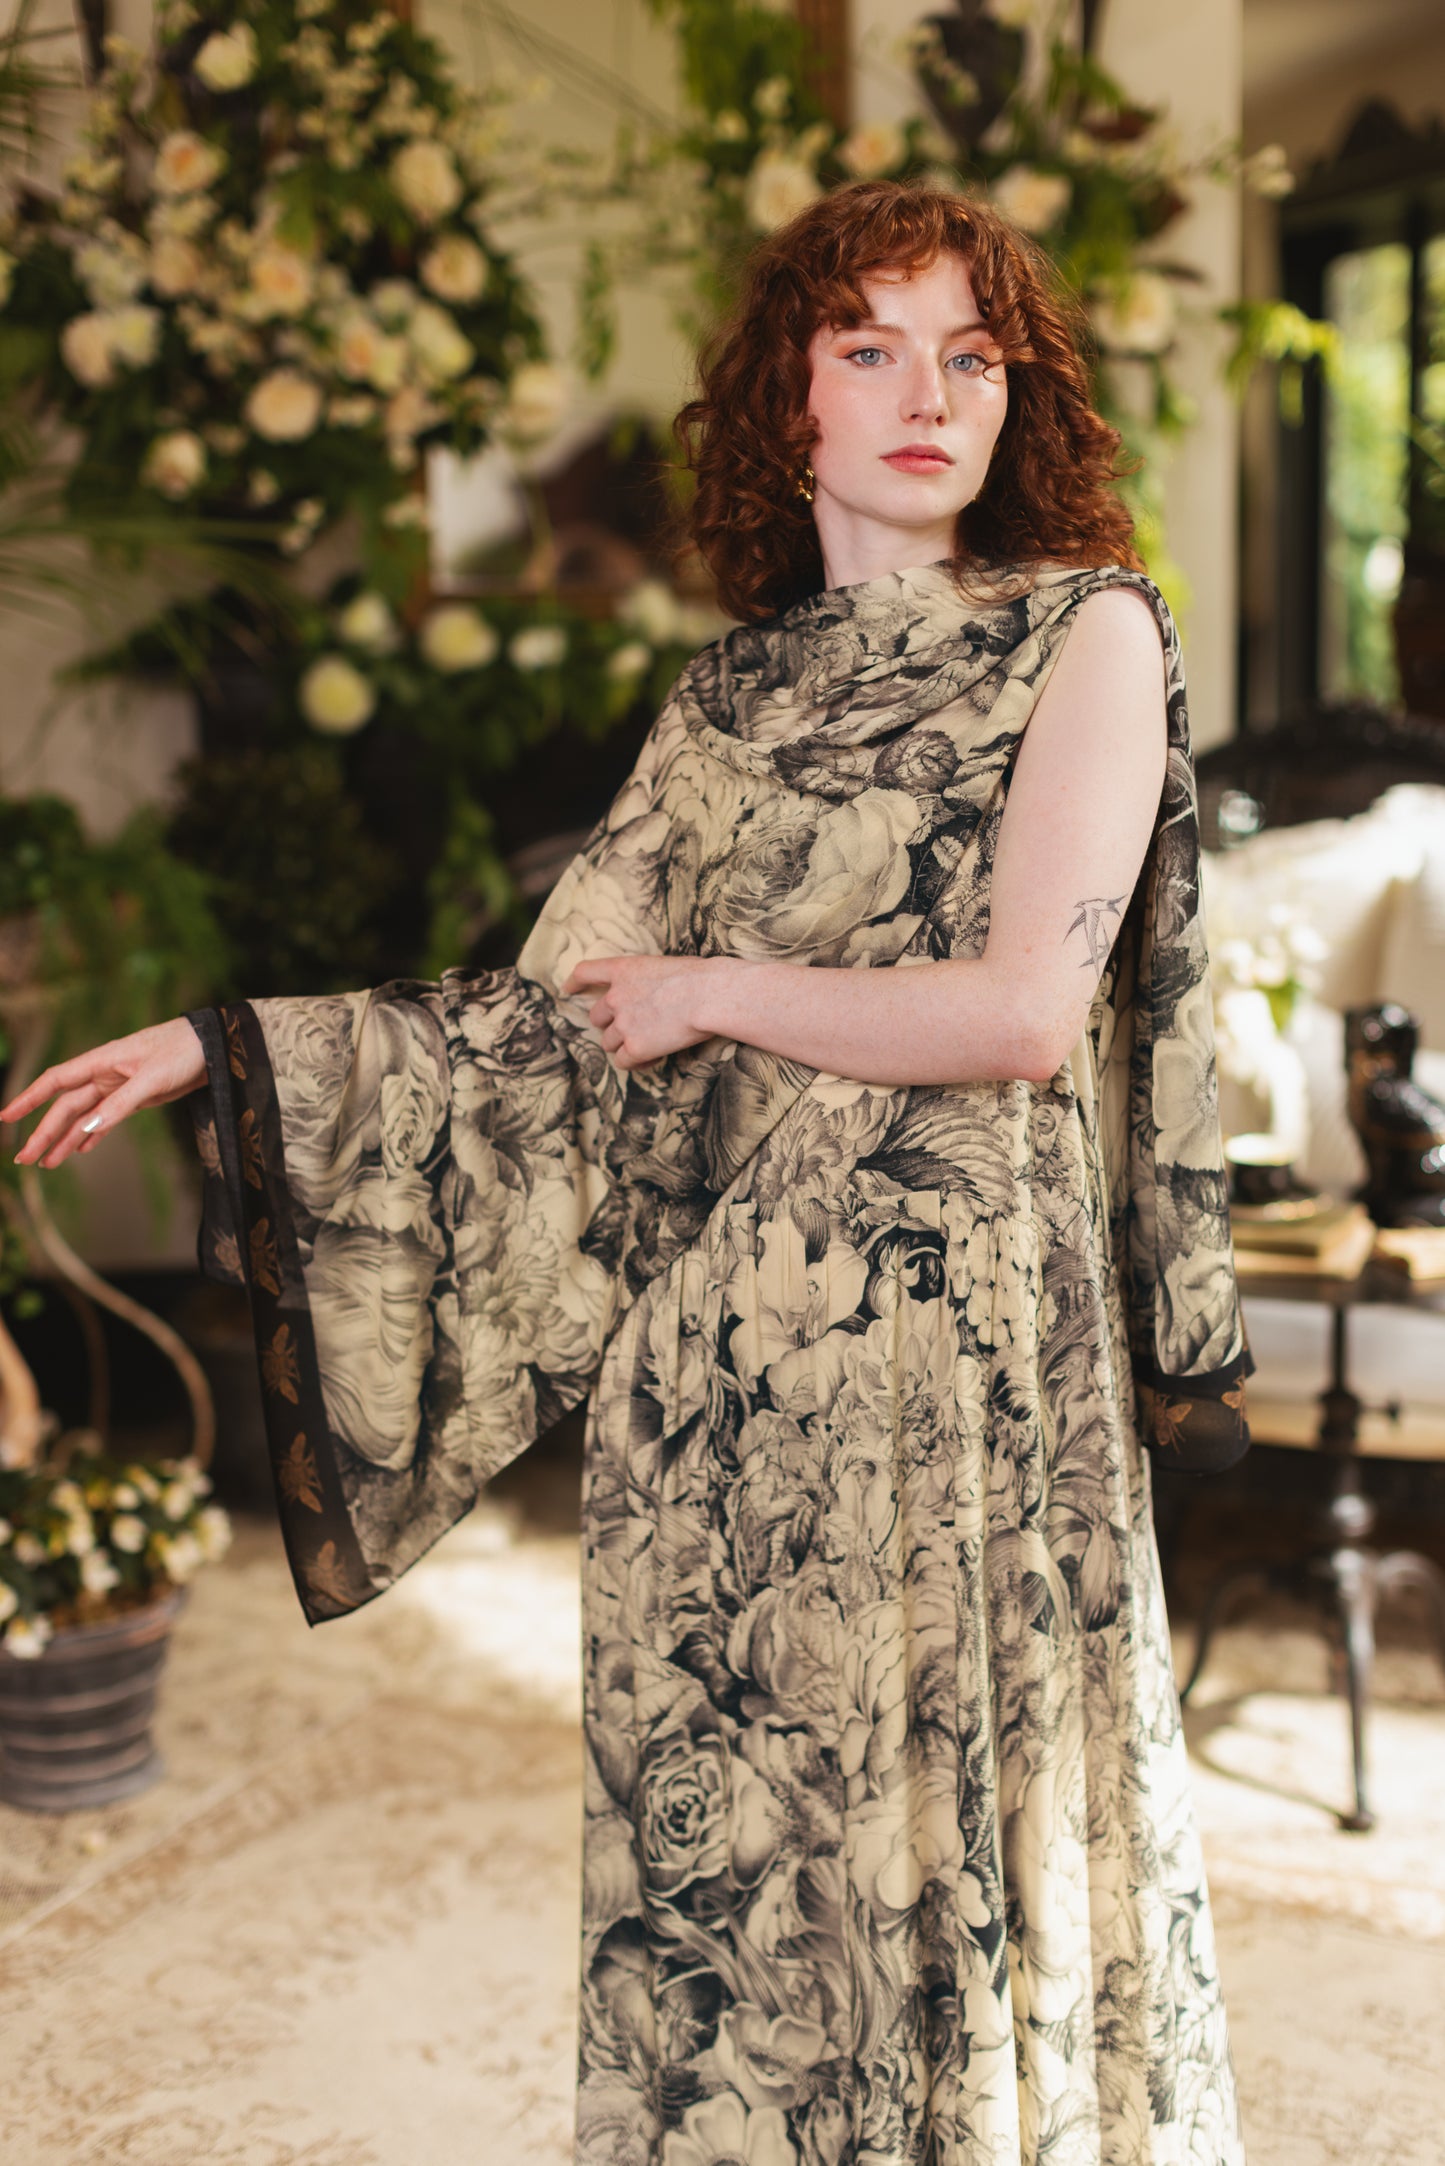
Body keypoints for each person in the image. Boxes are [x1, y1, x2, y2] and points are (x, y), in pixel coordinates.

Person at [3, 179, 1253, 2164]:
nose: (930, 393)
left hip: (952, 1380)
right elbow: (547, 1027)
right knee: (751, 1920)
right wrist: (217, 1051)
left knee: (955, 1882)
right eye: (871, 348)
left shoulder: (1082, 634)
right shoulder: (721, 706)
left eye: (975, 356)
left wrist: (710, 988)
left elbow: (1022, 1013)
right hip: (720, 1399)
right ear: (792, 399)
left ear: (1019, 401)